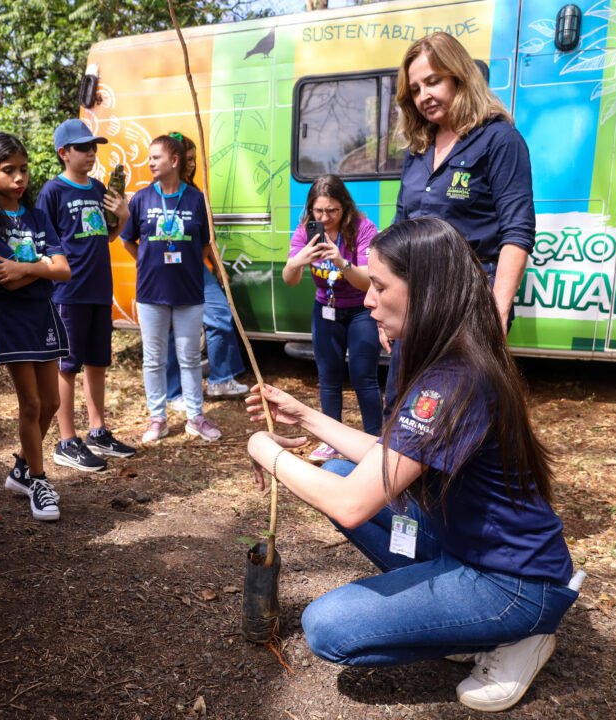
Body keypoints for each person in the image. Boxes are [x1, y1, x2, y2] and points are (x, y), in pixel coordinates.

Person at [247, 217, 581, 714]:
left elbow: (352, 505)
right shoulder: (449, 357)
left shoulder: (452, 380)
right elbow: (391, 456)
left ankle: (513, 635)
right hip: (467, 546)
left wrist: (263, 449)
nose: (367, 300)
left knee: (327, 627)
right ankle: (467, 620)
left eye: (380, 286)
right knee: (337, 470)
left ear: (425, 291)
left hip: (514, 582)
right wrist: (307, 418)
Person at [394, 31, 535, 336]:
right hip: (416, 298)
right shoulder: (417, 150)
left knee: (457, 372)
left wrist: (498, 311)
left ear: (459, 76)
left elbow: (517, 232)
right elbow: (400, 230)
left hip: (471, 297)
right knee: (406, 371)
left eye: (433, 81)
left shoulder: (499, 139)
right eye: (415, 90)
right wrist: (388, 303)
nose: (423, 96)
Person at [0, 131, 71, 521]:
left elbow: (63, 269)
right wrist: (42, 267)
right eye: (8, 170)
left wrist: (27, 268)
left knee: (52, 403)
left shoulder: (37, 215)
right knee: (30, 404)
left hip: (43, 314)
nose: (19, 178)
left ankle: (22, 468)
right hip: (11, 318)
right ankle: (38, 480)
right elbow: (3, 278)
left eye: (24, 169)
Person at [38, 118, 136, 473]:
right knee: (67, 367)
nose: (91, 153)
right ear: (63, 153)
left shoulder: (97, 188)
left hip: (98, 289)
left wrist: (123, 216)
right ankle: (66, 440)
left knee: (97, 362)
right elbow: (43, 241)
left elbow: (107, 235)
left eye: (93, 147)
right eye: (83, 148)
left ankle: (98, 431)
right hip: (69, 292)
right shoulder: (53, 192)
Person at [120, 134, 221, 444]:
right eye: (149, 157)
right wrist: (147, 262)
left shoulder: (195, 199)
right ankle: (157, 419)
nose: (149, 162)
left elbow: (205, 243)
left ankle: (195, 417)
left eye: (156, 157)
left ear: (174, 161)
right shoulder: (141, 199)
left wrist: (188, 264)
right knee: (154, 359)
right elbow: (127, 239)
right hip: (151, 292)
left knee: (189, 358)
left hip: (189, 292)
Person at [281, 174, 382, 463]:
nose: (324, 218)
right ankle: (331, 441)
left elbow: (367, 282)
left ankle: (376, 439)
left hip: (361, 310)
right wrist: (298, 261)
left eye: (332, 211)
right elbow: (289, 279)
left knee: (364, 377)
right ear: (310, 209)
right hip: (325, 310)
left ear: (344, 207)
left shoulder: (363, 228)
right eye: (319, 211)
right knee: (328, 378)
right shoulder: (305, 231)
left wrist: (340, 261)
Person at [163, 133, 248, 408]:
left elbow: (207, 237)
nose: (190, 164)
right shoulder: (158, 193)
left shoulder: (195, 193)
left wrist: (218, 268)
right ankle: (173, 393)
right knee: (171, 329)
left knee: (220, 315)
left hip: (196, 267)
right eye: (186, 159)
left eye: (193, 159)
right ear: (173, 159)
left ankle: (220, 378)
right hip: (169, 269)